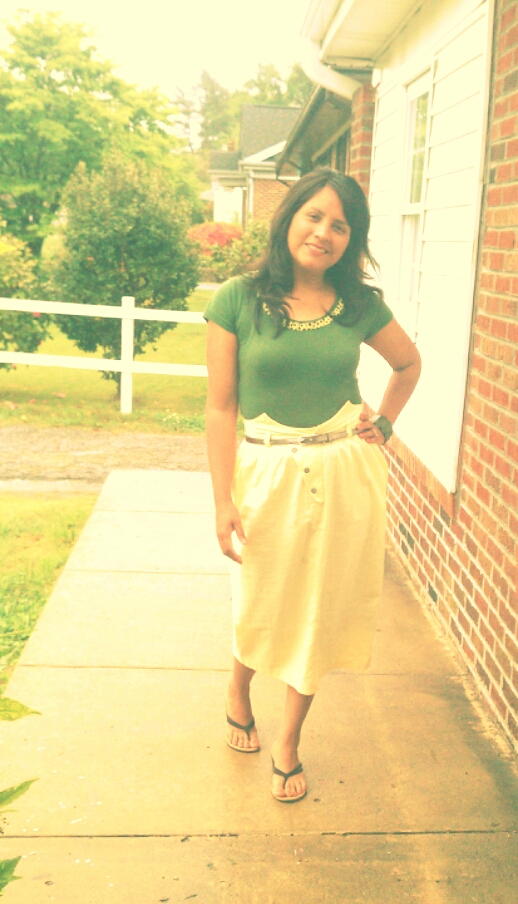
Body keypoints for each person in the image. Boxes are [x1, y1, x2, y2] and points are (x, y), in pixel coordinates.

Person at [205, 167, 421, 803]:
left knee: (319, 609)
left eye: (341, 226)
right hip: (266, 473)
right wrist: (222, 501)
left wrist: (385, 423)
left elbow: (409, 364)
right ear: (289, 218)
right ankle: (239, 687)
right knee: (264, 599)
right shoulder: (238, 299)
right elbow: (220, 408)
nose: (324, 233)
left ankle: (290, 741)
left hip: (343, 472)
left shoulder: (359, 305)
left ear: (352, 240)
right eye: (314, 216)